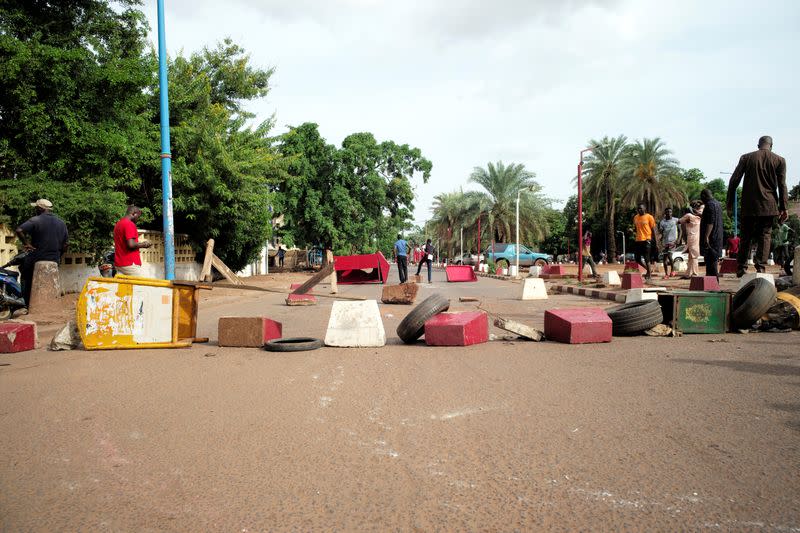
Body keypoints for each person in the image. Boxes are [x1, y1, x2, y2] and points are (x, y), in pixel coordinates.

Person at [726, 135, 788, 277]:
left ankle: (741, 267)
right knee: (765, 235)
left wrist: (729, 202)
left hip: (749, 206)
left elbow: (734, 180)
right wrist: (784, 207)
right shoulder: (779, 160)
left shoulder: (746, 158)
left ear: (758, 145)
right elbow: (782, 185)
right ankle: (760, 267)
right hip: (769, 206)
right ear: (771, 146)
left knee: (746, 236)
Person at [14, 198, 69, 306]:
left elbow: (19, 230)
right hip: (54, 259)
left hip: (37, 257)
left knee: (24, 274)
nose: (35, 210)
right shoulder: (61, 223)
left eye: (36, 208)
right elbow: (66, 244)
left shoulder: (36, 220)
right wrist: (59, 256)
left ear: (40, 208)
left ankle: (27, 303)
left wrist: (26, 244)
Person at [113, 205, 151, 276]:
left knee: (124, 286)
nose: (138, 219)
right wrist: (144, 244)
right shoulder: (129, 224)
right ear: (134, 214)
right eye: (138, 216)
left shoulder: (118, 224)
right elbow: (131, 244)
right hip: (130, 263)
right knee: (142, 285)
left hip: (119, 263)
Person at [700, 189, 724, 279]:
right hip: (718, 236)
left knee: (711, 262)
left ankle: (713, 284)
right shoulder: (718, 204)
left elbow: (711, 222)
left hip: (712, 237)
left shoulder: (710, 205)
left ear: (704, 196)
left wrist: (706, 236)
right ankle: (711, 282)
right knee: (713, 260)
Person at [679, 202, 704, 278]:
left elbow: (679, 221)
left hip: (692, 238)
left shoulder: (689, 215)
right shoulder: (699, 217)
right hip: (696, 237)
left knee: (693, 256)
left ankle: (695, 273)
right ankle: (688, 274)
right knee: (691, 256)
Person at [633, 204, 656, 279]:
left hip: (647, 239)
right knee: (637, 259)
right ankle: (648, 270)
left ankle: (649, 274)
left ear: (644, 208)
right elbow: (636, 228)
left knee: (646, 258)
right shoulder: (635, 217)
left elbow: (653, 229)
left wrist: (654, 240)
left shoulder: (649, 217)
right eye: (638, 209)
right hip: (638, 240)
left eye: (641, 208)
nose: (639, 210)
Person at [658, 207, 681, 279]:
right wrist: (659, 241)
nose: (669, 213)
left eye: (670, 212)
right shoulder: (662, 222)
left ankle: (673, 271)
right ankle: (666, 274)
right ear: (665, 213)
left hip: (673, 241)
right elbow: (661, 233)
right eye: (667, 212)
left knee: (670, 255)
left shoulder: (676, 220)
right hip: (665, 242)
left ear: (672, 212)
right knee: (664, 258)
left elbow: (680, 231)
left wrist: (679, 239)